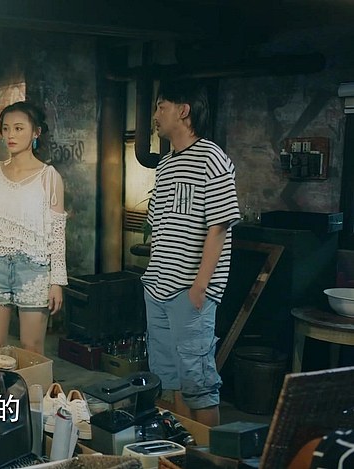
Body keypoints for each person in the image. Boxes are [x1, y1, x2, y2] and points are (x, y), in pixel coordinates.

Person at [142, 80, 240, 427]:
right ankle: (184, 450)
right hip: (157, 287)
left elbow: (219, 226)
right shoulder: (166, 164)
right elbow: (158, 225)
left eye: (161, 107)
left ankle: (208, 454)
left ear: (183, 111)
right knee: (171, 382)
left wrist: (200, 286)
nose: (156, 115)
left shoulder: (212, 157)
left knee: (199, 383)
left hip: (190, 291)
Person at [0, 101, 67, 355]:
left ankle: (30, 386)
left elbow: (57, 233)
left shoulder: (49, 176)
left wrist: (57, 281)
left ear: (36, 132)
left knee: (31, 348)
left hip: (34, 269)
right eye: (6, 128)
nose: (11, 134)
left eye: (19, 128)